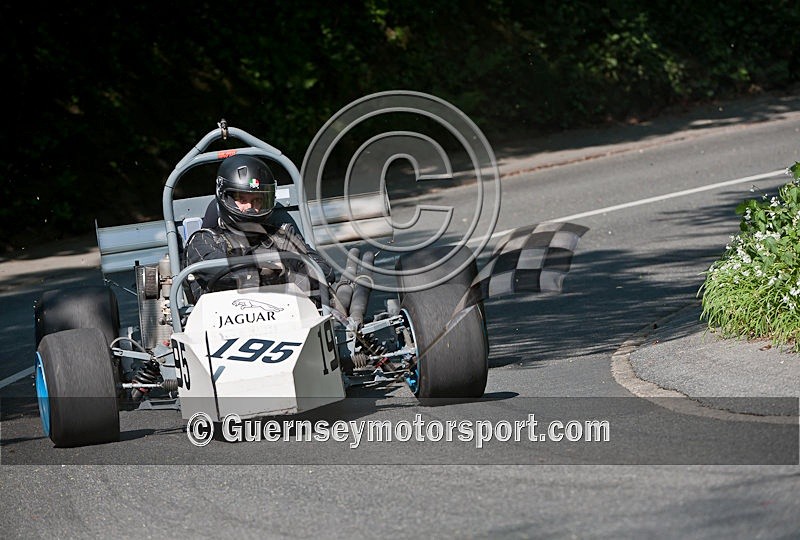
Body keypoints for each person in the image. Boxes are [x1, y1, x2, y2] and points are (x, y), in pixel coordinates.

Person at [183, 154, 335, 303]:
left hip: (287, 319)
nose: (250, 208)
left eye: (256, 200)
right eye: (242, 200)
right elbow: (223, 274)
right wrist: (276, 275)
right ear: (226, 198)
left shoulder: (280, 237)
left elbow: (321, 270)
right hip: (222, 322)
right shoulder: (203, 240)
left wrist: (283, 275)